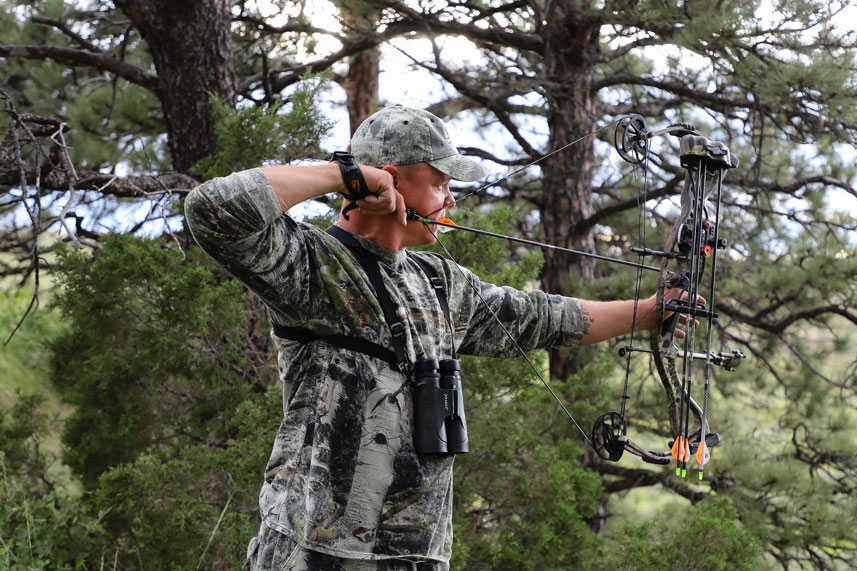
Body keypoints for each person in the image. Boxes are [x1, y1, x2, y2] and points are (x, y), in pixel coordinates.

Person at [184, 105, 687, 570]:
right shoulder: (313, 265)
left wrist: (649, 312)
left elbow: (539, 317)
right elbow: (211, 209)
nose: (450, 199)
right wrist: (347, 177)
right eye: (441, 182)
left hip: (413, 554)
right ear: (393, 179)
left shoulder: (440, 282)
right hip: (314, 549)